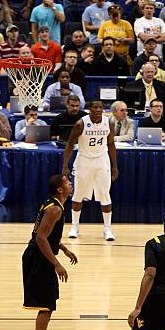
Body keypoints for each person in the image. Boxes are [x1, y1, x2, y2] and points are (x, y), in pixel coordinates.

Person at [23, 174, 76, 330]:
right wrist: (56, 264)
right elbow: (40, 239)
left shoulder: (53, 204)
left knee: (48, 302)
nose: (71, 184)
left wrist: (63, 248)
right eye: (68, 182)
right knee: (46, 306)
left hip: (40, 257)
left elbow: (46, 235)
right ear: (60, 189)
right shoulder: (55, 209)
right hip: (38, 259)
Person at [62, 100, 119, 240]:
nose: (98, 109)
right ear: (89, 109)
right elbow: (69, 144)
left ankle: (107, 229)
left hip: (102, 160)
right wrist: (65, 166)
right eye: (95, 107)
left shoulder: (109, 122)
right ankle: (74, 226)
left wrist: (114, 166)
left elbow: (111, 144)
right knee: (78, 195)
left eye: (101, 107)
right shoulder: (80, 124)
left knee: (105, 194)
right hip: (84, 160)